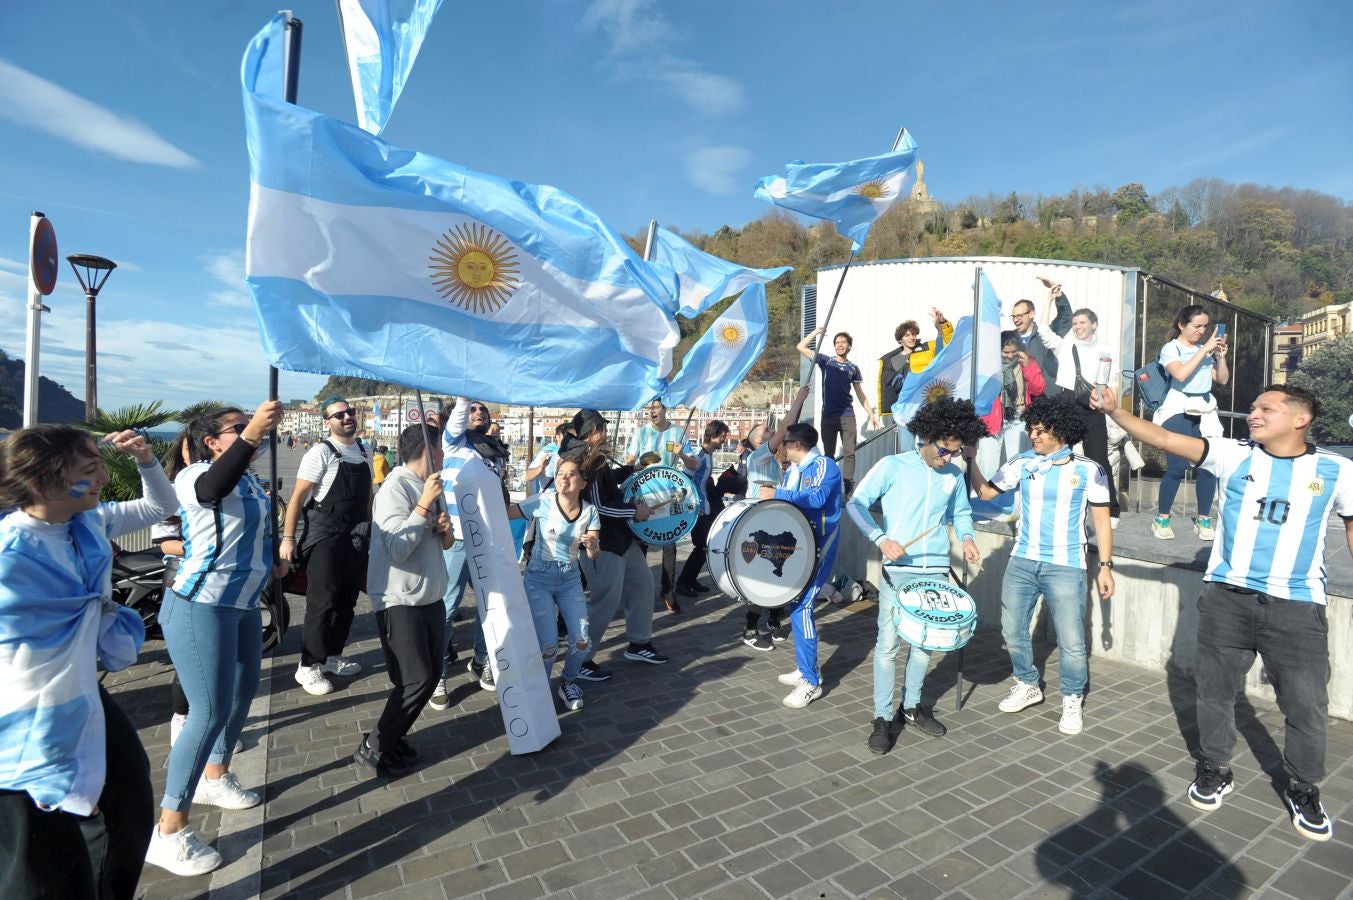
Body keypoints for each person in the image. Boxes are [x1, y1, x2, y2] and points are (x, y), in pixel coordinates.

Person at [1093, 383, 1352, 842]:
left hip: (1297, 605)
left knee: (1307, 705)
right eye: (1253, 407)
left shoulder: (1336, 471)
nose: (1253, 414)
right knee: (1215, 692)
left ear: (1300, 418)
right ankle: (1215, 767)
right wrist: (1117, 412)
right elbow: (1165, 439)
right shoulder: (1233, 455)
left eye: (1265, 408)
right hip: (1227, 599)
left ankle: (1303, 786)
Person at [0, 426, 173, 896]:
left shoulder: (87, 524)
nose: (100, 476)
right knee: (35, 862)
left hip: (80, 693)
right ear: (43, 483)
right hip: (24, 716)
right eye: (88, 467)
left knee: (128, 806)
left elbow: (161, 508)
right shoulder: (11, 556)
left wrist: (145, 460)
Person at [148, 401, 286, 876]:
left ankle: (216, 774)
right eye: (236, 427)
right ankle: (168, 829)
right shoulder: (195, 476)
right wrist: (251, 434)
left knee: (242, 693)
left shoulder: (248, 478)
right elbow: (211, 488)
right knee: (205, 712)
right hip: (200, 604)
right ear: (212, 442)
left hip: (243, 603)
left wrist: (274, 561)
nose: (252, 432)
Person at [969, 394, 1115, 736]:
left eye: (1040, 430)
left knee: (1071, 640)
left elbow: (1103, 522)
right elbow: (987, 493)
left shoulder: (1088, 469)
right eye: (1031, 429)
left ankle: (1072, 697)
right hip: (1022, 560)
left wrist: (1105, 566)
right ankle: (1028, 683)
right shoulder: (1023, 463)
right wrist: (971, 461)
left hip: (1066, 564)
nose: (1033, 435)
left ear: (1060, 431)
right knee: (1012, 629)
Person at [846, 397, 986, 753]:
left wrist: (967, 538)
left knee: (926, 643)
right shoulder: (891, 466)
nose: (948, 458)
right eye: (943, 450)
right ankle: (881, 716)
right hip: (899, 571)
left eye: (954, 452)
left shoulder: (953, 475)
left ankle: (910, 708)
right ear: (927, 437)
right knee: (888, 646)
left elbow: (961, 513)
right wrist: (880, 538)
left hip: (936, 571)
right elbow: (855, 504)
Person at [357, 423, 454, 778]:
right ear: (429, 452)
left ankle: (393, 738)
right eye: (441, 450)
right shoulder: (395, 488)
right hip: (400, 598)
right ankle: (375, 745)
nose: (445, 457)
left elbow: (445, 544)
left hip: (430, 595)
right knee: (417, 679)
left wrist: (445, 530)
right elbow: (397, 548)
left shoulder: (431, 486)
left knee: (424, 680)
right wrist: (425, 504)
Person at [281, 397, 371, 696]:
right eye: (339, 415)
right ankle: (308, 666)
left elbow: (367, 496)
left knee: (347, 599)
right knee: (323, 600)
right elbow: (297, 499)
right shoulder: (321, 453)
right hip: (326, 535)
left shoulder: (362, 449)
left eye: (350, 412)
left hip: (355, 535)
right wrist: (289, 538)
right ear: (327, 422)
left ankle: (332, 656)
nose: (347, 417)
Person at [574, 409, 670, 680]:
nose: (604, 432)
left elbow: (609, 488)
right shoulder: (586, 461)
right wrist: (633, 511)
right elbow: (598, 506)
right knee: (604, 600)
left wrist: (631, 470)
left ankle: (639, 643)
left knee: (642, 584)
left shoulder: (598, 459)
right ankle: (580, 659)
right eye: (598, 429)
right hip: (599, 542)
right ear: (587, 435)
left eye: (603, 427)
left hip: (619, 539)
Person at [759, 422, 843, 709]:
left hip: (821, 544)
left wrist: (777, 495)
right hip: (804, 543)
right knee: (797, 604)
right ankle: (806, 667)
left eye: (784, 444)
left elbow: (818, 499)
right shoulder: (796, 470)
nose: (781, 448)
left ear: (795, 445)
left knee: (803, 606)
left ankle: (811, 681)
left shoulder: (823, 465)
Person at [430, 399, 505, 709]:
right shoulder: (452, 443)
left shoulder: (495, 452)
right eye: (472, 410)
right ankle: (438, 675)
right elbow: (458, 418)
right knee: (447, 608)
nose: (478, 413)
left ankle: (483, 657)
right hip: (457, 540)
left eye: (482, 410)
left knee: (492, 605)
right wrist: (464, 395)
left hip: (488, 540)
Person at [509, 457, 600, 711]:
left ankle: (568, 682)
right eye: (560, 473)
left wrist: (592, 546)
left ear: (583, 483)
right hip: (539, 578)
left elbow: (593, 554)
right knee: (548, 644)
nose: (563, 478)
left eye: (571, 474)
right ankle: (538, 691)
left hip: (570, 578)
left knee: (582, 640)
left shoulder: (590, 511)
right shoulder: (543, 500)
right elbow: (507, 512)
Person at [1035, 303, 1121, 523]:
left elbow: (1112, 382)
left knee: (1099, 457)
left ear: (1094, 324)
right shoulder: (1065, 345)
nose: (1077, 326)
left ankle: (1110, 508)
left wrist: (1107, 407)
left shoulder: (1106, 349)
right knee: (1060, 453)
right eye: (1074, 323)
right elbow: (1043, 331)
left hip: (1094, 405)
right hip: (1067, 402)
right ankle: (1057, 501)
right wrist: (1049, 297)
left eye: (1082, 322)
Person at [1151, 305, 1230, 541]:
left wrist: (1220, 357)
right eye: (1197, 326)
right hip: (1178, 409)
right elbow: (1181, 375)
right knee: (1177, 467)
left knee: (1208, 466)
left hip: (1205, 409)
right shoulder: (1171, 348)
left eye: (1205, 326)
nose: (1202, 331)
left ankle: (1204, 518)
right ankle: (1162, 517)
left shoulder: (1203, 350)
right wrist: (1204, 349)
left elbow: (1222, 380)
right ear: (1182, 325)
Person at [741, 384, 811, 650]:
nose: (773, 433)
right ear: (758, 442)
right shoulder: (758, 457)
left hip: (773, 523)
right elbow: (784, 430)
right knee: (761, 576)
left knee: (778, 571)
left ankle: (773, 619)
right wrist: (799, 399)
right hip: (758, 524)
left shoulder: (775, 465)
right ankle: (749, 629)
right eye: (766, 432)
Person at [623, 400, 698, 613]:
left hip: (670, 495)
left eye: (655, 407)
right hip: (645, 495)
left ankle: (668, 592)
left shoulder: (677, 433)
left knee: (670, 543)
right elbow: (630, 460)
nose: (651, 411)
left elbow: (694, 465)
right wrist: (634, 464)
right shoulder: (641, 433)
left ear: (665, 409)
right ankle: (639, 592)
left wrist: (682, 454)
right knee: (642, 542)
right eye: (649, 408)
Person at [796, 328, 882, 491]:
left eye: (843, 342)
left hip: (847, 416)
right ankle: (828, 484)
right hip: (828, 416)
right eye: (837, 343)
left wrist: (871, 414)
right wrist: (816, 332)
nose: (840, 345)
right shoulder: (826, 362)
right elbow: (801, 347)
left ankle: (848, 485)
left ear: (849, 346)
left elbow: (860, 393)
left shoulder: (853, 368)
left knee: (850, 452)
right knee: (828, 454)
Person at [976, 333, 1048, 477]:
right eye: (1005, 352)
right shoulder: (987, 364)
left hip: (1017, 417)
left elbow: (1038, 389)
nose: (1009, 356)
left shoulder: (1027, 361)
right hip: (991, 418)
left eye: (1013, 352)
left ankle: (1017, 497)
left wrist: (1027, 366)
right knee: (987, 467)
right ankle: (987, 498)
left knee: (1018, 463)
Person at [675, 420, 731, 600]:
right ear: (713, 435)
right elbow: (685, 479)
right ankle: (683, 582)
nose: (724, 441)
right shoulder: (699, 456)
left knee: (704, 546)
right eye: (722, 437)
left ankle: (690, 579)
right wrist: (693, 505)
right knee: (703, 545)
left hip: (704, 508)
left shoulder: (707, 454)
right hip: (698, 509)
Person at [877, 310, 955, 419]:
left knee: (926, 435)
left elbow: (949, 342)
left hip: (926, 403)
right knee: (905, 436)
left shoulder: (928, 347)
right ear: (900, 339)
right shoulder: (894, 360)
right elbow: (891, 387)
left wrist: (943, 323)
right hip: (905, 408)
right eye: (907, 335)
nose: (911, 337)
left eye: (913, 334)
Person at [1009, 278, 1073, 382]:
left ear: (1031, 314)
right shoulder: (1010, 339)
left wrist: (1058, 295)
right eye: (1013, 316)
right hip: (1021, 396)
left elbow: (1065, 318)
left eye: (1019, 316)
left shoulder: (1045, 335)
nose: (1016, 320)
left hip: (1047, 395)